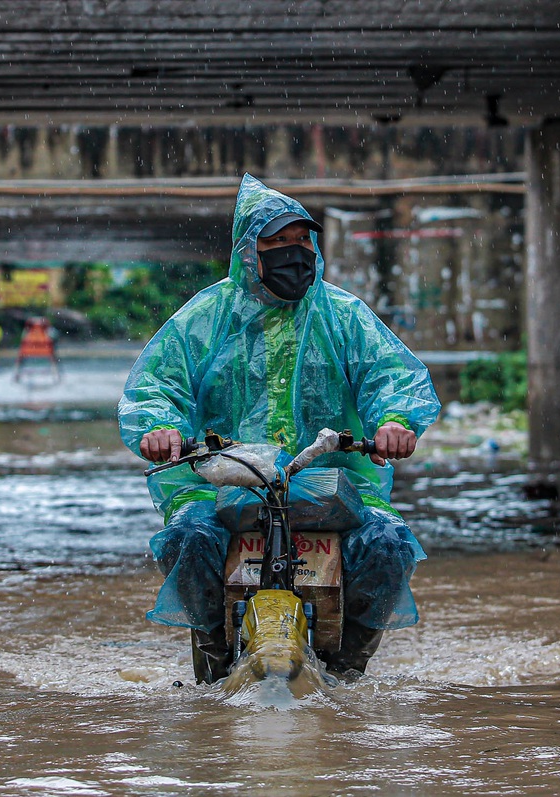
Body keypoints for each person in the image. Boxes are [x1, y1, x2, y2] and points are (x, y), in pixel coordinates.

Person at [117, 174, 441, 683]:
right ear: (248, 252)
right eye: (277, 243)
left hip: (333, 478)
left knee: (385, 546)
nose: (294, 253)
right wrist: (159, 428)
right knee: (193, 539)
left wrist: (396, 421)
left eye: (300, 241)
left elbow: (390, 374)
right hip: (221, 479)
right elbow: (158, 383)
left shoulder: (345, 315)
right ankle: (212, 648)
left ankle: (350, 663)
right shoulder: (203, 318)